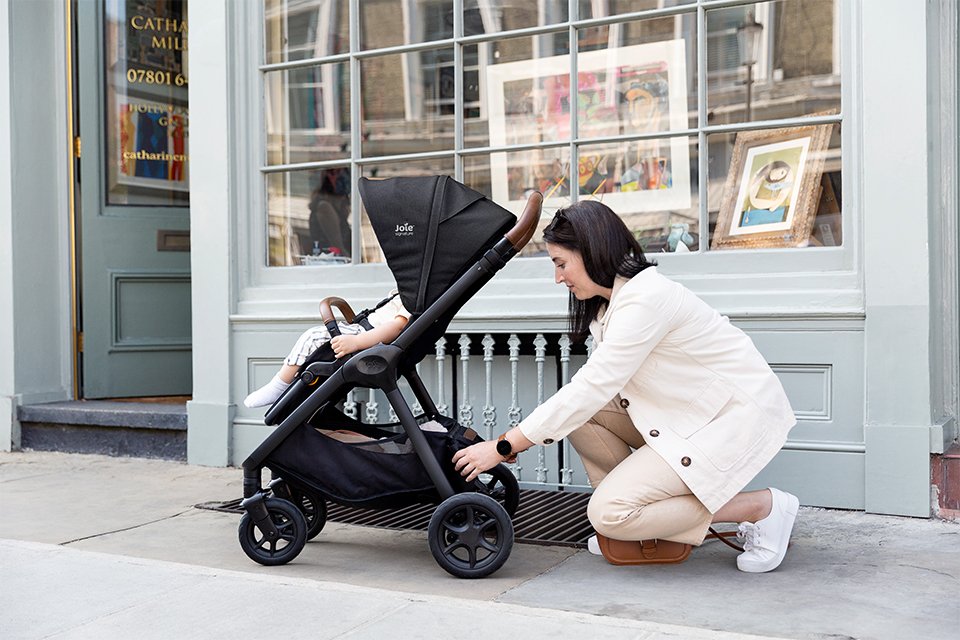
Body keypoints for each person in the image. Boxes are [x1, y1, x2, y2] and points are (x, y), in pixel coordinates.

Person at [452, 201, 799, 573]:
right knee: (582, 419)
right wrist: (526, 436)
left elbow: (592, 385)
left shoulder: (646, 299)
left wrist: (506, 444)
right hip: (688, 413)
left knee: (608, 512)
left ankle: (761, 508)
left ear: (590, 252)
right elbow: (590, 397)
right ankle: (635, 525)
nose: (558, 278)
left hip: (728, 418)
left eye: (560, 263)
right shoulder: (612, 302)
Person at [244, 289, 410, 408]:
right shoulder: (405, 291)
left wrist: (357, 342)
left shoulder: (413, 299)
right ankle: (288, 382)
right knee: (313, 343)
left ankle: (279, 386)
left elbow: (397, 327)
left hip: (369, 336)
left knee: (313, 337)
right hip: (365, 330)